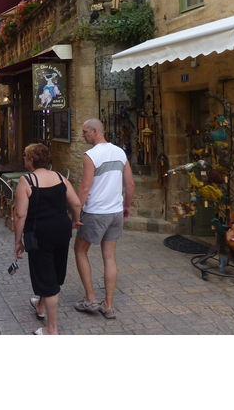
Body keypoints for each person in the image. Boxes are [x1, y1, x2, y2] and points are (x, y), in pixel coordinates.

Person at [14, 143, 82, 335]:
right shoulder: (60, 177)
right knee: (54, 270)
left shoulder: (26, 181)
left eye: (26, 156)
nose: (24, 158)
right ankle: (40, 306)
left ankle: (51, 329)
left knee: (46, 276)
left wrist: (18, 241)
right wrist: (75, 221)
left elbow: (20, 215)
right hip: (62, 230)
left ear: (32, 160)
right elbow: (76, 203)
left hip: (40, 233)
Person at [74, 118, 135, 320]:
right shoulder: (120, 152)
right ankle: (108, 305)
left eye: (84, 132)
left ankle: (90, 298)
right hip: (115, 211)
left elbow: (84, 187)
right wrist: (126, 206)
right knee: (109, 256)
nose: (83, 135)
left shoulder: (90, 155)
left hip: (96, 212)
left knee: (80, 250)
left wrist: (76, 212)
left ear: (94, 131)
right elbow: (130, 183)